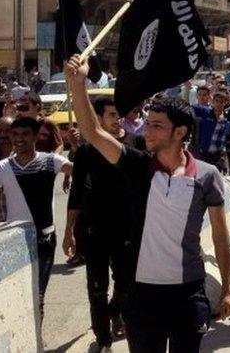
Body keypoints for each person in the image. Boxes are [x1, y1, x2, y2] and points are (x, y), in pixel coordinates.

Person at [66, 55, 230, 352]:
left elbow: (221, 235)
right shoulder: (137, 166)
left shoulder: (207, 176)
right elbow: (93, 132)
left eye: (156, 126)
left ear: (180, 132)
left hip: (189, 293)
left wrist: (228, 289)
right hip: (141, 294)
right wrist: (78, 84)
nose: (146, 131)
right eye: (147, 124)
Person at [64, 96, 145, 350]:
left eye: (118, 114)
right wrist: (69, 232)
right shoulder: (87, 151)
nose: (116, 120)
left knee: (126, 284)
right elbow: (76, 193)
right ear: (98, 118)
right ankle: (103, 338)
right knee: (96, 288)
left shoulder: (137, 143)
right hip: (95, 228)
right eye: (110, 115)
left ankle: (115, 310)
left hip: (128, 228)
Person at [0, 116, 72, 317]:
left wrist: (78, 146)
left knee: (38, 295)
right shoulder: (1, 168)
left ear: (35, 137)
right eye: (15, 134)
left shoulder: (51, 161)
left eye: (25, 134)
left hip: (45, 239)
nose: (19, 139)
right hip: (15, 240)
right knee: (20, 296)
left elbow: (83, 171)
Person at [190, 89, 230, 174]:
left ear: (225, 103)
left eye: (221, 102)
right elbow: (189, 107)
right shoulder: (205, 112)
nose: (218, 104)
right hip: (203, 154)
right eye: (216, 101)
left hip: (217, 156)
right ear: (213, 102)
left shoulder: (227, 119)